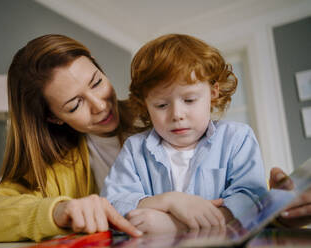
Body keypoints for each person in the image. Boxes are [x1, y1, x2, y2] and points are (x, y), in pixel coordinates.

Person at [0, 34, 144, 243]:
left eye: (97, 82)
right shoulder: (58, 166)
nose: (99, 105)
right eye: (75, 105)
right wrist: (57, 210)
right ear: (54, 117)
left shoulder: (156, 113)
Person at [101, 33, 269, 234]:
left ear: (213, 93)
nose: (177, 115)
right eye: (161, 105)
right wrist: (167, 201)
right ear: (145, 105)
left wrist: (174, 225)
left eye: (189, 100)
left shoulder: (237, 138)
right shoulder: (135, 148)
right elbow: (113, 202)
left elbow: (252, 199)